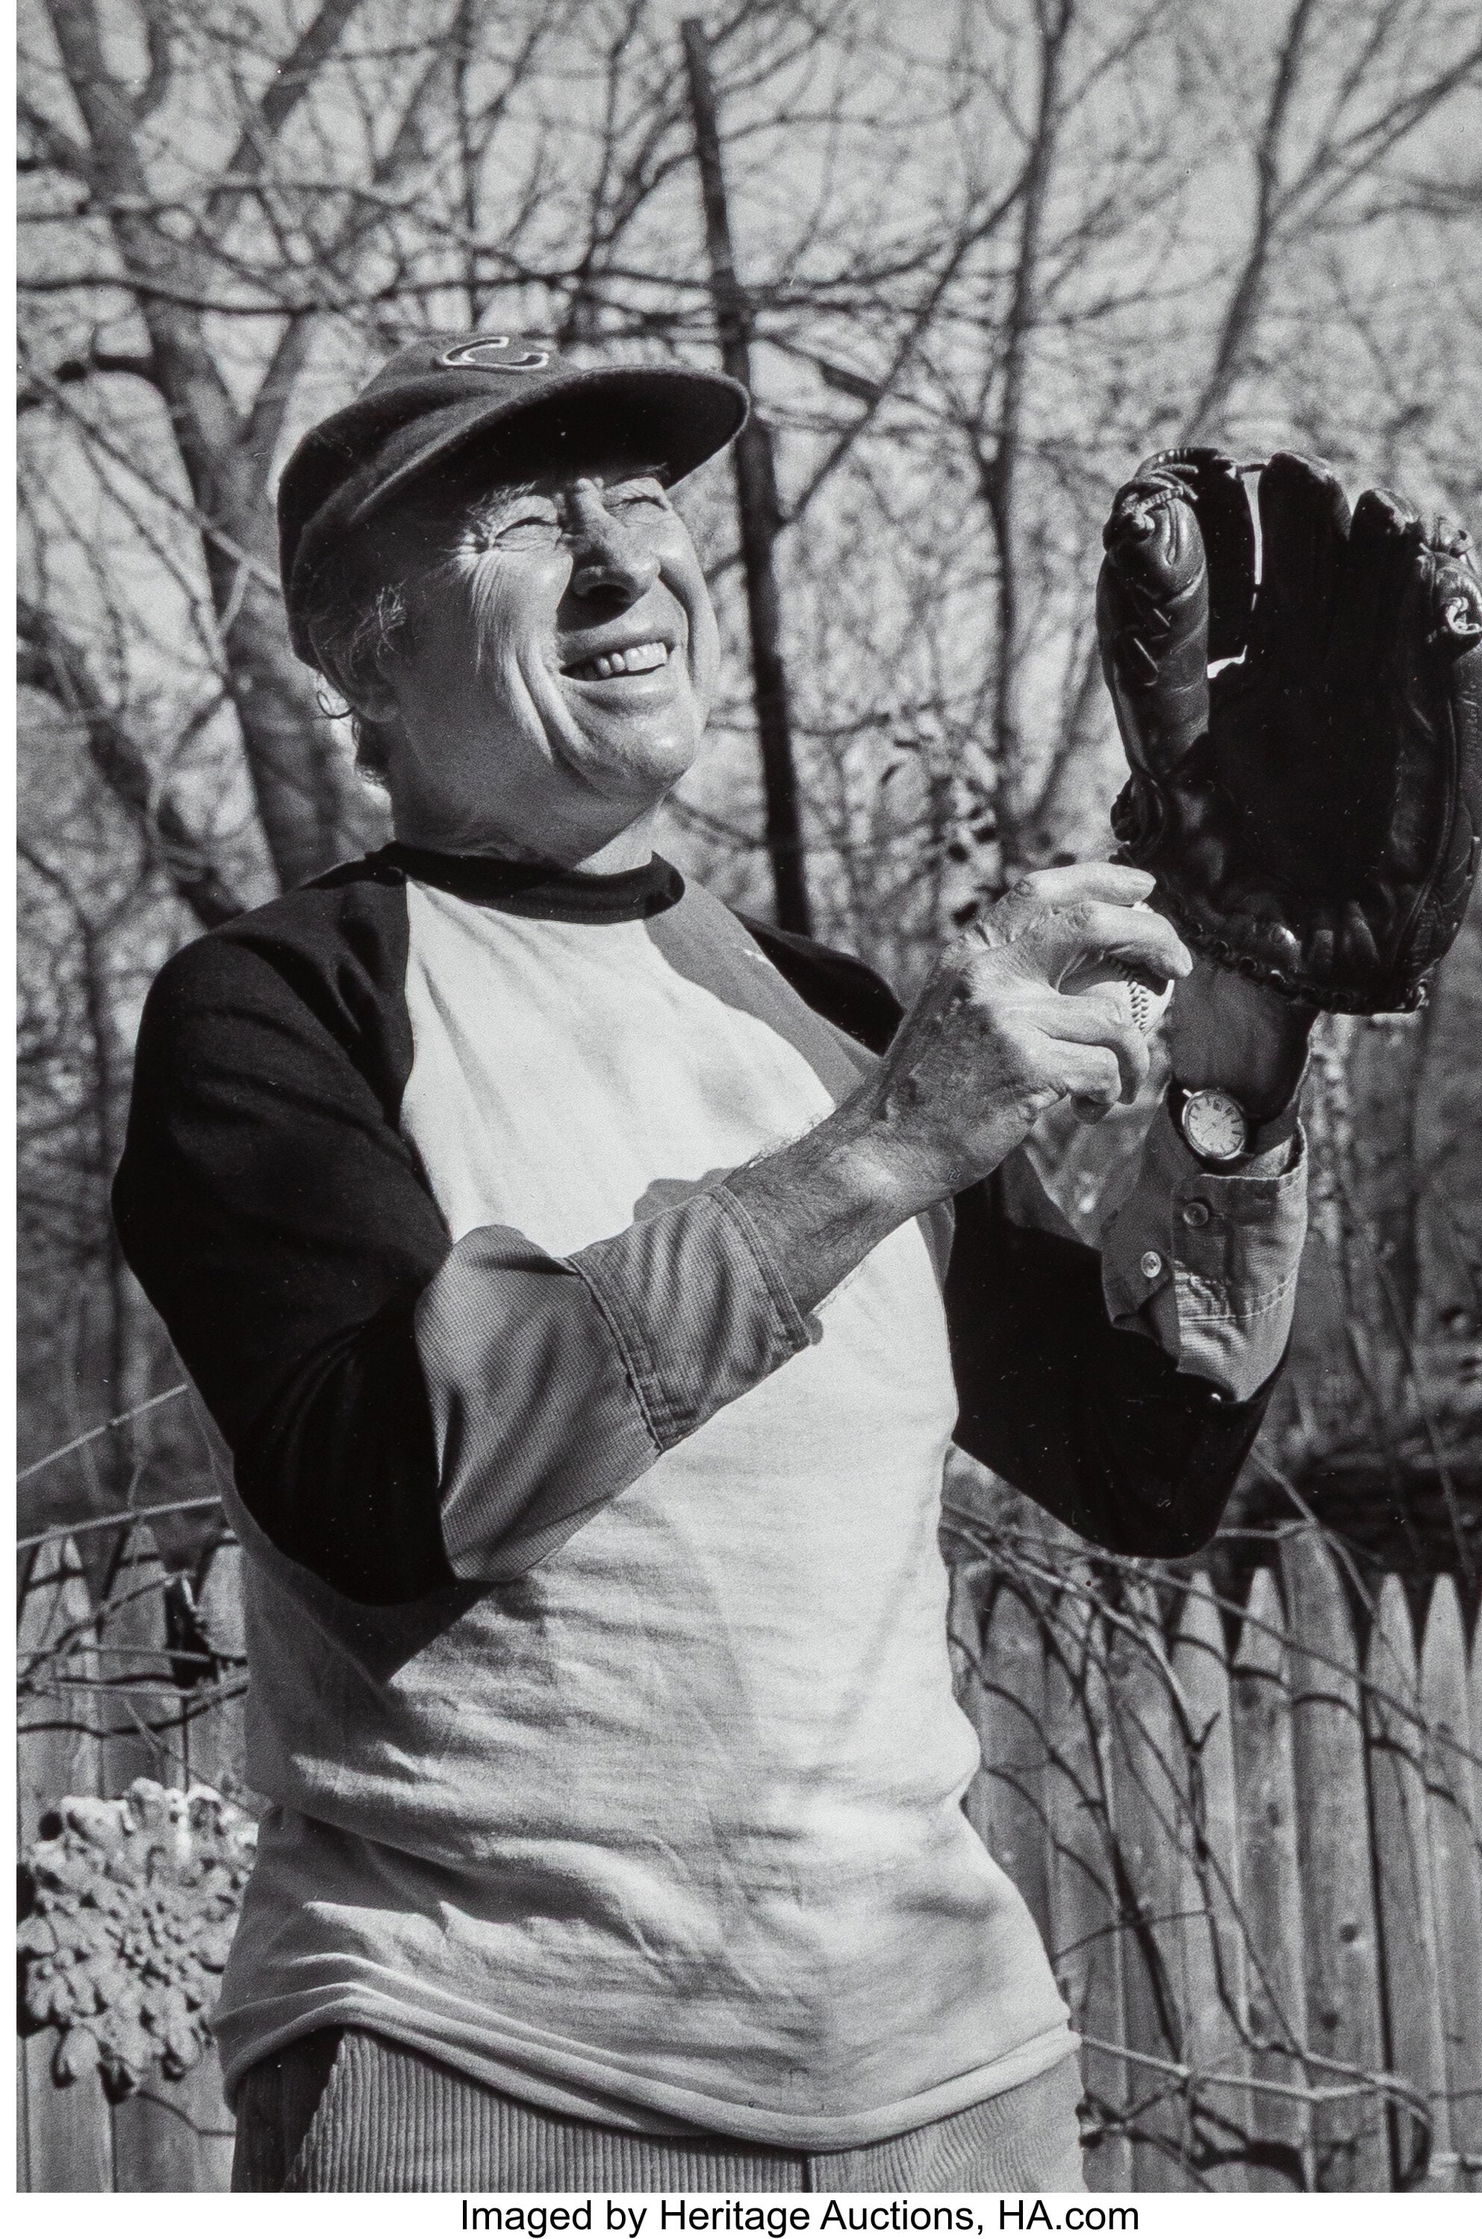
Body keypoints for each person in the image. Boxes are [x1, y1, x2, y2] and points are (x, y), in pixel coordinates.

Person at [113, 335, 1313, 2194]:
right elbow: (385, 1486)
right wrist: (877, 1151)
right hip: (490, 2076)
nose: (622, 561)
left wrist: (1240, 1088)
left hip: (954, 2089)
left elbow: (1139, 1462)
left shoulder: (830, 1010)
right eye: (525, 524)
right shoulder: (273, 1008)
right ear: (365, 659)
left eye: (641, 501)